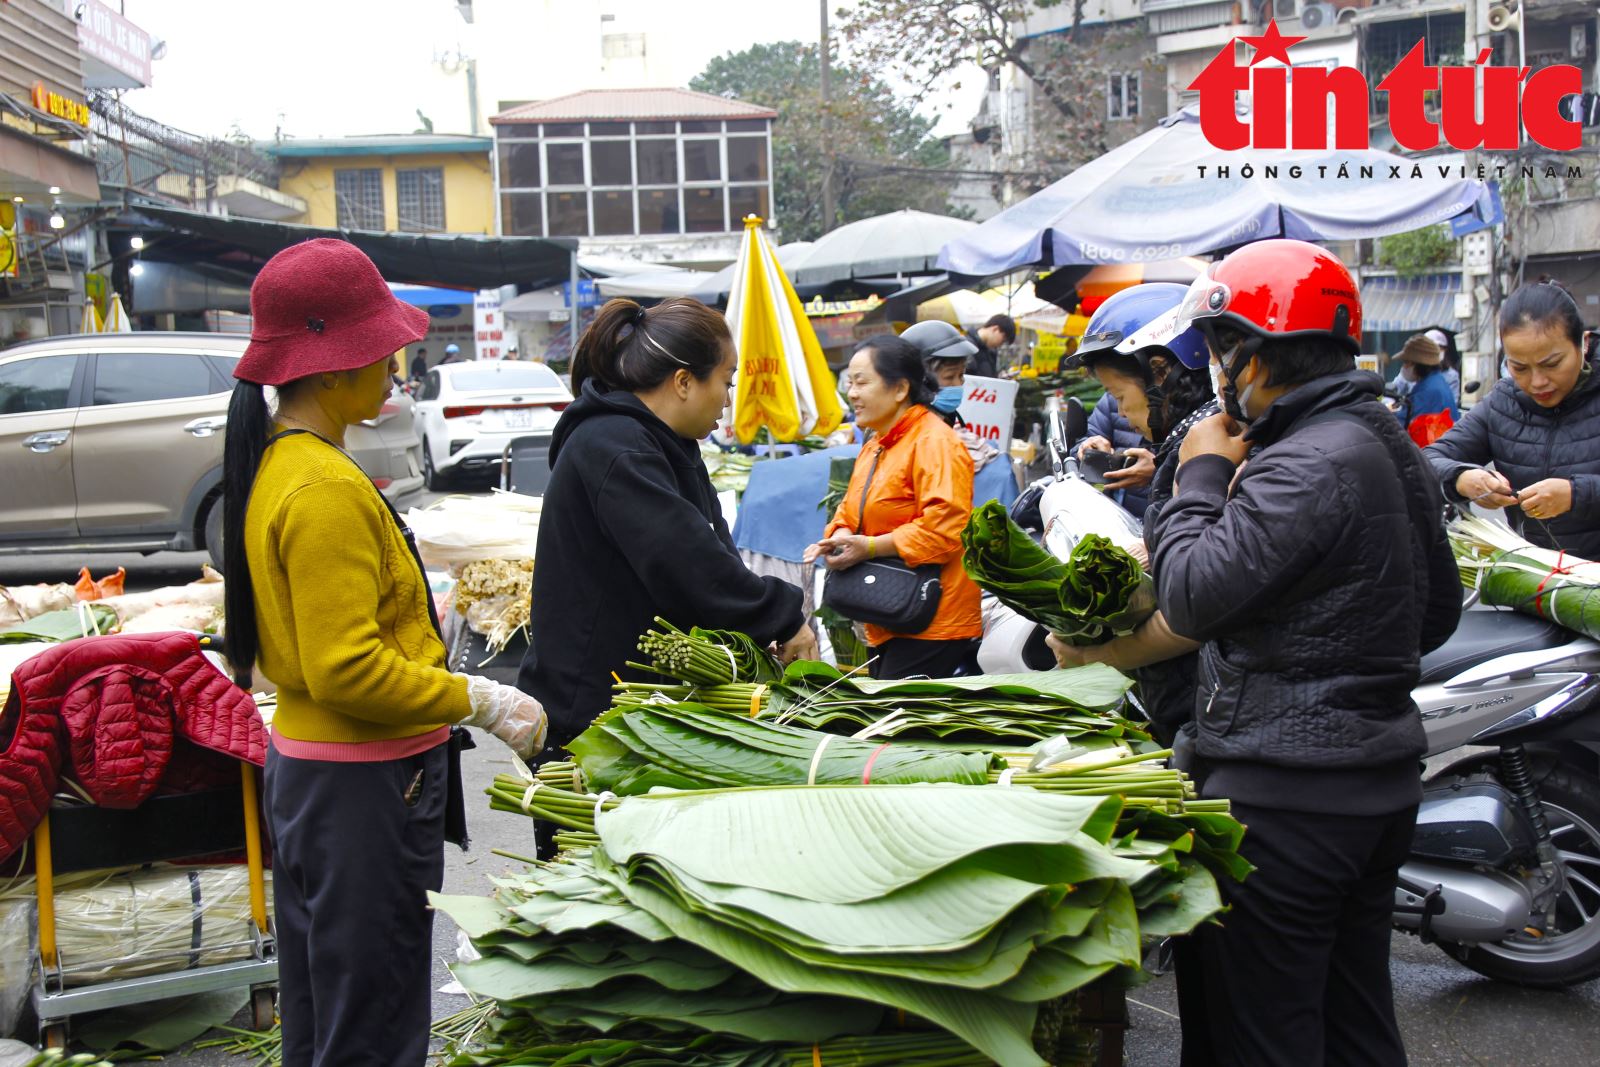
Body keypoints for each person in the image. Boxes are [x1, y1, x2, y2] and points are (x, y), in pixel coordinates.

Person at [221, 239, 548, 1067]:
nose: (398, 362)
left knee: (327, 1013)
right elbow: (345, 668)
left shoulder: (287, 464)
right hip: (360, 789)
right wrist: (483, 700)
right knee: (374, 1020)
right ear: (331, 367)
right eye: (385, 347)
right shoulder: (324, 489)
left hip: (318, 777)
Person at [1144, 239, 1461, 1065]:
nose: (1215, 372)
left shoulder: (1303, 463)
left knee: (1267, 1033)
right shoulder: (1380, 438)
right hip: (1373, 786)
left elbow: (1188, 596)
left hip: (1288, 799)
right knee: (1354, 1020)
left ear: (1254, 352)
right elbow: (1435, 613)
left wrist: (1199, 476)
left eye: (1219, 349)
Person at [518, 297, 816, 751]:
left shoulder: (669, 445)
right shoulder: (614, 444)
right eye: (726, 381)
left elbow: (715, 550)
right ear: (682, 381)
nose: (729, 399)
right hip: (594, 712)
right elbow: (685, 560)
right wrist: (782, 618)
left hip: (647, 702)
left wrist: (753, 629)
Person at [1045, 282, 1216, 745]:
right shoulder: (1190, 443)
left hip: (1203, 698)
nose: (1120, 411)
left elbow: (1199, 609)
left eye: (1120, 396)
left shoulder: (1211, 453)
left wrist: (1096, 655)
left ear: (1160, 372)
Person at [804, 335, 983, 679]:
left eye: (862, 382)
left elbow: (944, 529)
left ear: (900, 389)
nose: (852, 394)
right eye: (849, 383)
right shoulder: (875, 444)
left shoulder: (934, 442)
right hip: (891, 611)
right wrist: (840, 535)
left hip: (933, 619)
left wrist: (870, 546)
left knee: (892, 724)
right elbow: (850, 509)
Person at [1425, 280, 1600, 559]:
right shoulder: (1503, 403)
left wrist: (1577, 494)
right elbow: (1426, 461)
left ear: (1584, 342)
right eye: (1519, 367)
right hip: (1541, 586)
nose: (1537, 382)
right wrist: (1463, 478)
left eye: (1552, 364)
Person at [1075, 383, 1155, 518]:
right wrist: (1089, 450)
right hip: (1117, 517)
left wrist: (1160, 471)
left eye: (1122, 398)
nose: (1121, 412)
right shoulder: (1110, 401)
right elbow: (1083, 442)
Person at [901, 319, 976, 426]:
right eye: (949, 377)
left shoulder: (946, 418)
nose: (958, 384)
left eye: (961, 375)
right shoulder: (899, 430)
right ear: (921, 382)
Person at [1392, 333, 1459, 435]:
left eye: (1407, 362)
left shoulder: (1427, 392)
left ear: (1418, 364)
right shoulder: (1435, 381)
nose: (1404, 367)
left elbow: (1402, 426)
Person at [966, 313, 1014, 378]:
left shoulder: (991, 351)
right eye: (1003, 340)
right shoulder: (967, 346)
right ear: (995, 329)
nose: (1001, 344)